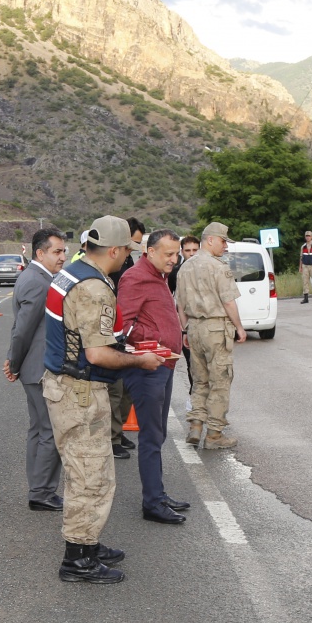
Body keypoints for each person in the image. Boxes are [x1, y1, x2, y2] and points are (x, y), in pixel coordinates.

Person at [43, 215, 163, 583]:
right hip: (80, 390)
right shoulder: (95, 287)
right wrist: (141, 360)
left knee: (88, 471)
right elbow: (97, 354)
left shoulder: (71, 272)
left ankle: (88, 544)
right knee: (89, 477)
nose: (128, 256)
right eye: (127, 250)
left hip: (65, 384)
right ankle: (78, 558)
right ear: (114, 249)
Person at [118, 229, 192, 525]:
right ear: (150, 252)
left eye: (176, 254)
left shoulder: (159, 274)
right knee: (150, 437)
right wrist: (152, 342)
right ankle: (152, 502)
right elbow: (123, 325)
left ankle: (157, 494)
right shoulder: (136, 277)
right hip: (148, 368)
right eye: (169, 254)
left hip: (164, 364)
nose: (175, 259)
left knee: (157, 435)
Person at [5, 227, 67, 512]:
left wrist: (14, 361)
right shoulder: (38, 281)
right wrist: (14, 363)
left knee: (38, 429)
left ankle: (38, 488)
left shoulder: (39, 277)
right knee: (49, 432)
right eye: (57, 251)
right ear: (40, 253)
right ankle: (41, 492)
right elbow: (23, 330)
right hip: (39, 368)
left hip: (33, 366)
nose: (63, 257)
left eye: (63, 251)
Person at [176, 221, 246, 449]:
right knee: (220, 381)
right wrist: (239, 327)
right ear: (210, 240)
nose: (225, 246)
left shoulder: (185, 267)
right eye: (223, 241)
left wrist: (185, 329)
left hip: (194, 328)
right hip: (216, 328)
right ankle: (214, 434)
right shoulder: (218, 267)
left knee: (199, 380)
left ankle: (196, 425)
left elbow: (180, 305)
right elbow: (228, 301)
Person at [108, 217, 147, 460]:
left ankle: (118, 431)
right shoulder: (109, 269)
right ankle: (111, 438)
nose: (133, 250)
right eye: (131, 244)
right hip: (114, 333)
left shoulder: (129, 261)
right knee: (115, 390)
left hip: (127, 332)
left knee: (126, 391)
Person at [170, 234, 199, 392]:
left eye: (195, 249)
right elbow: (170, 296)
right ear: (182, 252)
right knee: (191, 363)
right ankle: (193, 394)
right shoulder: (175, 273)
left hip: (203, 324)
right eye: (188, 250)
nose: (192, 253)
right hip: (184, 325)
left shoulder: (206, 270)